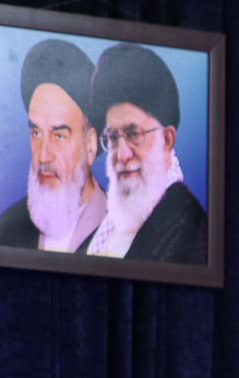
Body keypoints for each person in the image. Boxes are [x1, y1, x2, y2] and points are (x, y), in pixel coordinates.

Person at [84, 43, 207, 264]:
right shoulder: (110, 224)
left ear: (167, 140)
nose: (122, 155)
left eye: (134, 135)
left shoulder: (187, 227)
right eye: (113, 138)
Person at [0, 40, 106, 252]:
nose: (43, 156)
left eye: (59, 136)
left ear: (90, 145)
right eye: (36, 133)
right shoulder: (7, 229)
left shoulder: (121, 232)